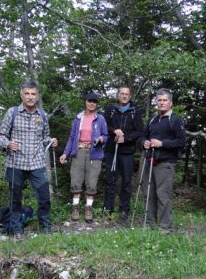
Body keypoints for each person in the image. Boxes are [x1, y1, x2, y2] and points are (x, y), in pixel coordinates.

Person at [0, 81, 58, 239]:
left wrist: (51, 141)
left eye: (33, 94)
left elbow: (44, 137)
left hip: (37, 162)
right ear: (21, 94)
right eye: (27, 94)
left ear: (37, 96)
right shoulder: (13, 112)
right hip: (15, 162)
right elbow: (0, 136)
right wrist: (8, 144)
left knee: (44, 197)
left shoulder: (42, 115)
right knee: (15, 198)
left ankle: (46, 229)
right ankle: (17, 231)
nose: (30, 97)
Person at [59, 92, 108, 223]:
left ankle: (88, 209)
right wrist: (65, 153)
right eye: (89, 101)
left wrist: (102, 139)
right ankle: (75, 208)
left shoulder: (101, 119)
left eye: (94, 101)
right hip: (78, 152)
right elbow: (72, 138)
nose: (92, 103)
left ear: (96, 104)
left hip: (95, 153)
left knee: (91, 182)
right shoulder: (78, 118)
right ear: (85, 102)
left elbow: (106, 136)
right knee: (76, 180)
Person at [141, 88, 186, 230]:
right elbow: (143, 137)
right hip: (150, 161)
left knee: (163, 195)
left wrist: (162, 144)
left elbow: (181, 142)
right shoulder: (152, 120)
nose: (161, 103)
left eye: (164, 100)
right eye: (159, 100)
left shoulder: (175, 120)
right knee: (148, 194)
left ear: (170, 103)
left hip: (166, 163)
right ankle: (149, 225)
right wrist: (145, 143)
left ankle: (166, 227)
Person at [102, 85, 144, 222]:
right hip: (111, 150)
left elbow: (139, 131)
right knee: (110, 180)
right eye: (122, 93)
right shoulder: (110, 109)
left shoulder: (135, 111)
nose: (124, 96)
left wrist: (126, 138)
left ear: (130, 96)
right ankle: (107, 209)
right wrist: (114, 131)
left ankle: (124, 210)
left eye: (127, 94)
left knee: (126, 181)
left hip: (127, 152)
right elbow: (104, 126)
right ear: (118, 95)